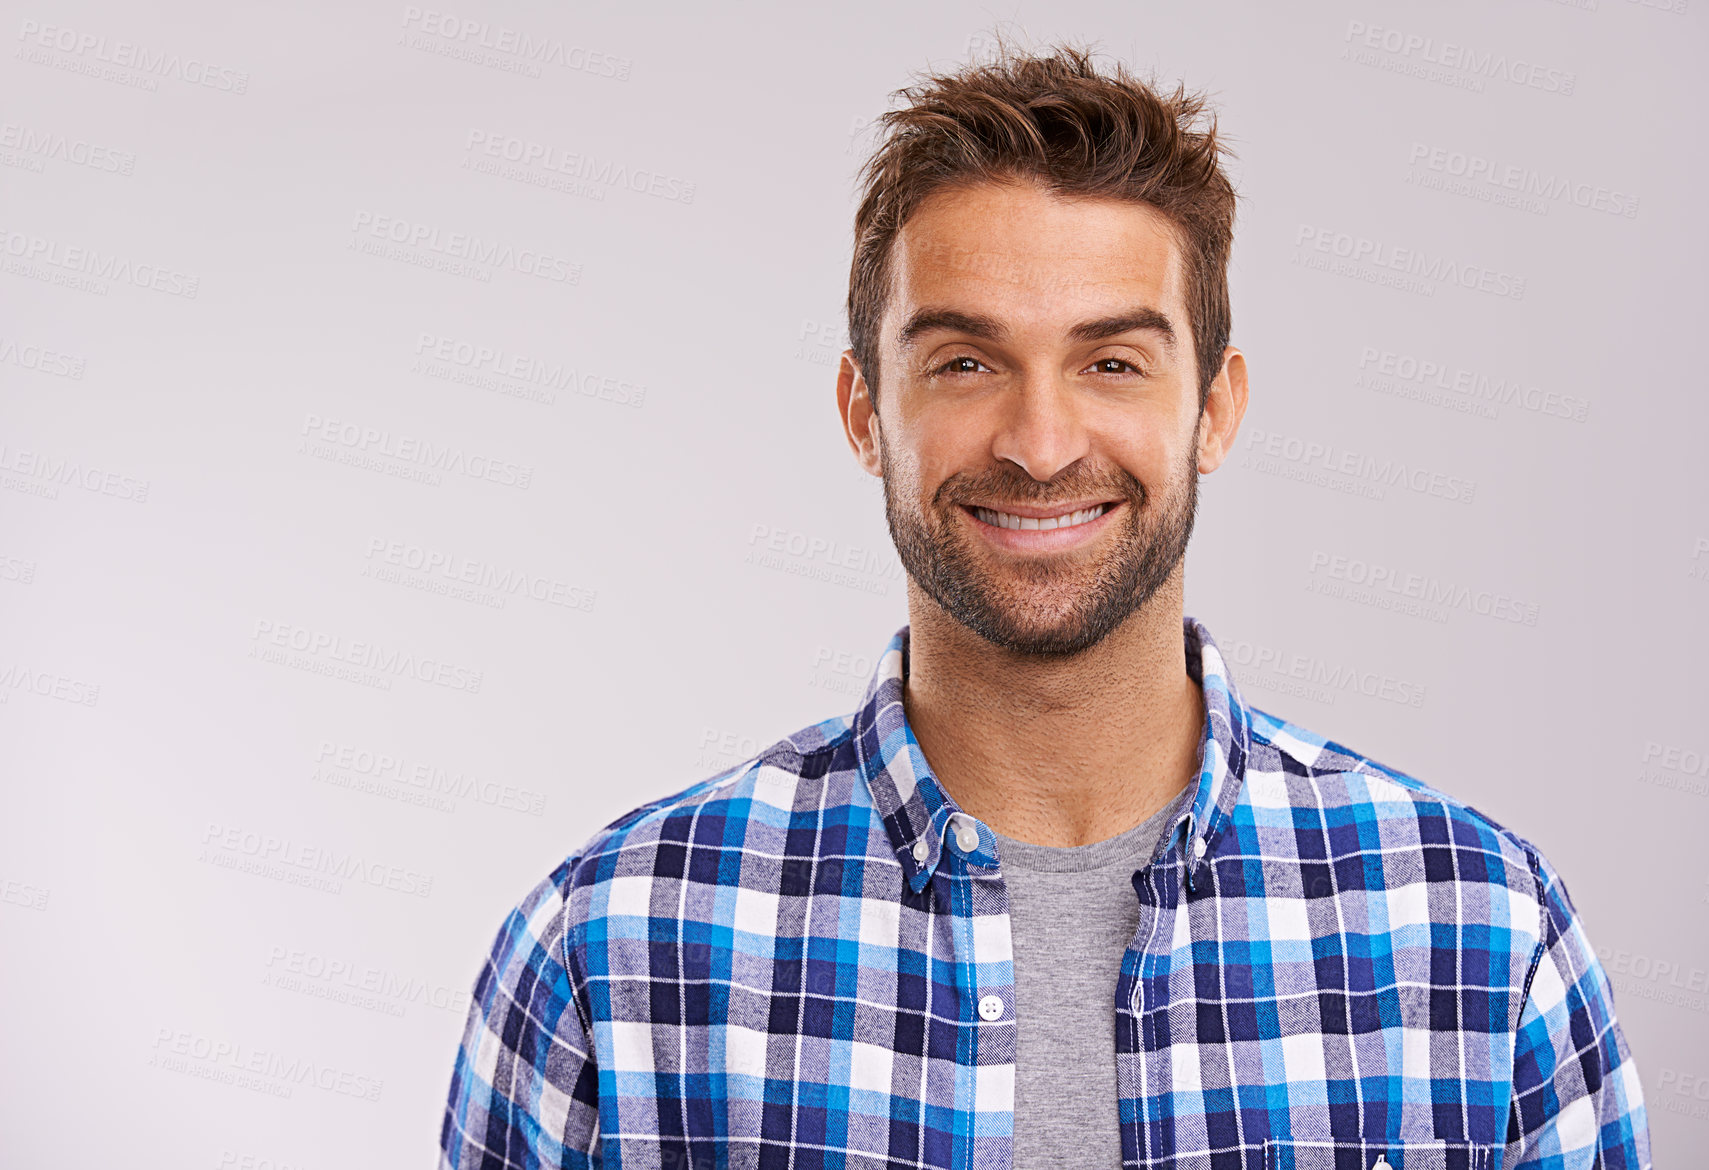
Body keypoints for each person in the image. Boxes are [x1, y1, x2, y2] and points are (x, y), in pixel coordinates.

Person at [439, 44, 1649, 1169]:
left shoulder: (1476, 933)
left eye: (1110, 361)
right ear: (865, 412)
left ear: (1213, 410)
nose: (1038, 442)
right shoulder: (612, 949)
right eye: (964, 362)